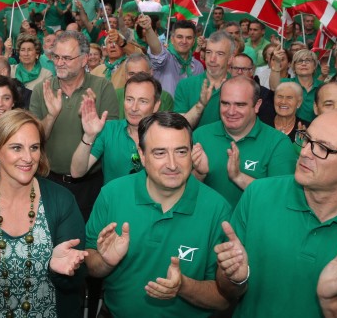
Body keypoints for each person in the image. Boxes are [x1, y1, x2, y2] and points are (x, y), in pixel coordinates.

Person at [214, 110, 337, 317]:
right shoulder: (258, 195)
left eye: (322, 148)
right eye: (306, 139)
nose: (304, 152)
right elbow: (228, 290)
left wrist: (332, 303)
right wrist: (234, 278)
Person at [86, 112, 231, 316]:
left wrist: (184, 286)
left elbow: (224, 299)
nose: (172, 164)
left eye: (181, 152)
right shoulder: (112, 194)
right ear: (142, 155)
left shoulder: (217, 209)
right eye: (160, 153)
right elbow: (90, 265)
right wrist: (105, 262)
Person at [0, 110, 87, 317]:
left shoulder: (61, 200)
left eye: (34, 148)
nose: (28, 158)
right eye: (16, 148)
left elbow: (77, 281)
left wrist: (59, 270)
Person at [29, 30, 119, 219]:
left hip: (89, 184)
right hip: (48, 181)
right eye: (56, 57)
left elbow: (111, 139)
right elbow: (34, 141)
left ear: (84, 59)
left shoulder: (103, 88)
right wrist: (52, 115)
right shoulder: (42, 89)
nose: (59, 63)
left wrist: (93, 128)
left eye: (67, 58)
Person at [193, 76, 298, 208]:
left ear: (257, 105)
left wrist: (238, 177)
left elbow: (281, 198)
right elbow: (183, 193)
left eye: (240, 105)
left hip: (253, 226)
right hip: (208, 224)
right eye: (225, 103)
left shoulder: (278, 143)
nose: (231, 111)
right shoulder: (200, 136)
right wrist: (198, 174)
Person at [71, 73, 161, 185]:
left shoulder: (164, 136)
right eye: (129, 99)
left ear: (156, 106)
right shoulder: (109, 129)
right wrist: (89, 135)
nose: (134, 108)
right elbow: (76, 172)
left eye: (142, 101)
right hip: (112, 201)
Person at [174, 31, 234, 128]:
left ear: (230, 59)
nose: (212, 59)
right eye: (208, 52)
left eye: (220, 54)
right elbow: (180, 129)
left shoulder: (239, 88)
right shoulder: (185, 85)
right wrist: (200, 105)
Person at [141, 17, 204, 96]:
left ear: (193, 41)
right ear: (172, 39)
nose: (184, 41)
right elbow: (157, 50)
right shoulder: (165, 59)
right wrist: (149, 29)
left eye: (189, 38)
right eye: (179, 37)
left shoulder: (198, 67)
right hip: (164, 108)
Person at [270, 48, 322, 123]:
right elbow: (274, 87)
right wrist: (277, 63)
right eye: (299, 61)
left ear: (314, 66)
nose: (303, 64)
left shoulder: (323, 87)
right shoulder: (286, 83)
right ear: (294, 67)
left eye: (308, 61)